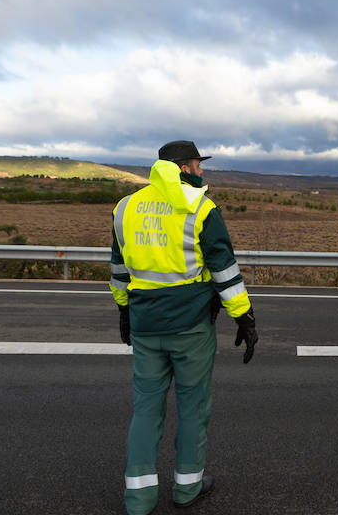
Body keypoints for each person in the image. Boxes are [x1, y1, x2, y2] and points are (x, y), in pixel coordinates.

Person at [109, 140, 258, 515]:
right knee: (193, 407)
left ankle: (139, 500)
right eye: (198, 164)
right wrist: (244, 316)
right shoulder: (200, 206)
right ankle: (187, 489)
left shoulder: (125, 208)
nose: (201, 171)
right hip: (190, 328)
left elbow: (119, 271)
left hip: (145, 327)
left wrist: (124, 311)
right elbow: (225, 271)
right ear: (183, 167)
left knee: (146, 409)